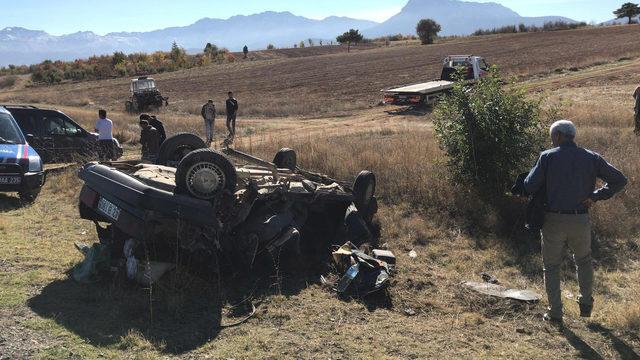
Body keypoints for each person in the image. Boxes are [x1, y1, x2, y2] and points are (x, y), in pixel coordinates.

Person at [524, 120, 627, 324]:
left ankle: (555, 313)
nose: (552, 140)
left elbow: (529, 185)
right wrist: (596, 196)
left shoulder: (547, 157)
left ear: (559, 136)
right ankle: (586, 304)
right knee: (583, 261)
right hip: (580, 218)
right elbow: (619, 180)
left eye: (553, 137)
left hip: (553, 219)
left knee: (552, 266)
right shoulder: (591, 157)